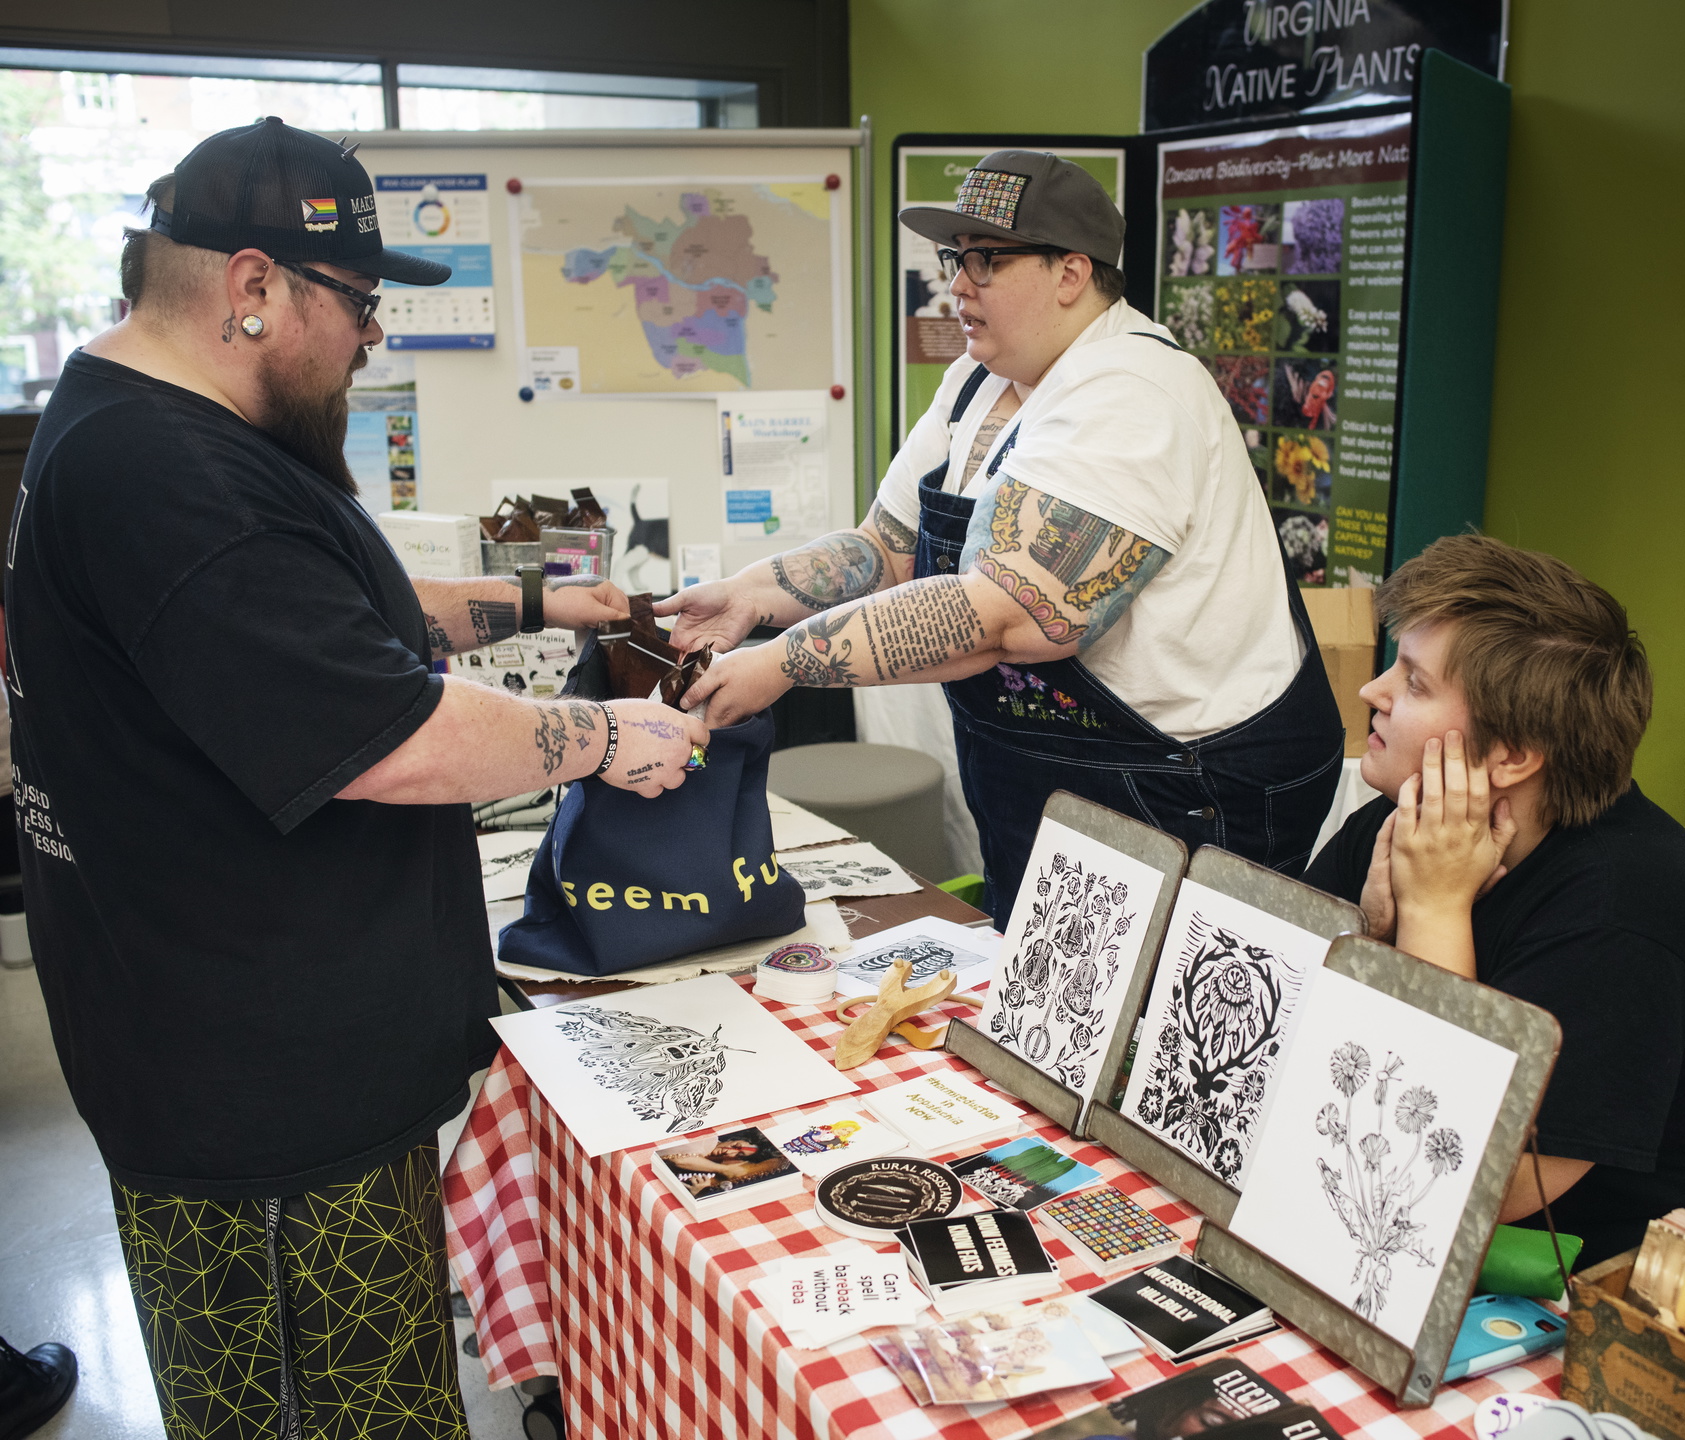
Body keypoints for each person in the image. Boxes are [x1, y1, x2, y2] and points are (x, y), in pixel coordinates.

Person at [4, 118, 708, 1439]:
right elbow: (391, 734)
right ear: (255, 288)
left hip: (256, 1059)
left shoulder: (150, 421)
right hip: (261, 1116)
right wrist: (611, 741)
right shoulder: (165, 478)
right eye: (362, 306)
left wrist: (542, 598)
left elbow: (329, 618)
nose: (368, 339)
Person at [663, 150, 1344, 927]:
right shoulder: (980, 380)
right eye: (956, 257)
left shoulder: (1132, 394)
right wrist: (750, 596)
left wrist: (781, 664)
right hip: (1048, 772)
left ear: (1070, 274)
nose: (958, 282)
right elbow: (883, 548)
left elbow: (1010, 617)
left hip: (1182, 789)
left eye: (987, 260)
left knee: (1155, 1034)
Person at [1302, 534, 1685, 1313]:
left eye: (1411, 681)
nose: (1372, 691)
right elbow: (1279, 1017)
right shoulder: (1411, 815)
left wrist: (1434, 911)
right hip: (1540, 1264)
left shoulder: (1625, 919)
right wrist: (1373, 928)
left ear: (1509, 754)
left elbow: (1459, 1183)